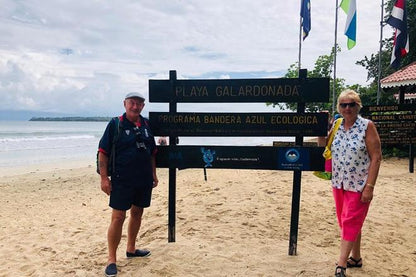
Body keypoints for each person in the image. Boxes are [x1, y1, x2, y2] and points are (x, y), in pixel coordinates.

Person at [98, 92, 159, 277]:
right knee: (118, 217)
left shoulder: (147, 125)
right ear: (125, 104)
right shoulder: (115, 124)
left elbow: (152, 153)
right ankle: (111, 259)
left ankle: (131, 249)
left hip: (143, 179)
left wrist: (154, 175)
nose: (135, 106)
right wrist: (103, 178)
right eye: (132, 103)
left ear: (143, 106)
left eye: (139, 104)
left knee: (137, 213)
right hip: (121, 179)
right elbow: (103, 152)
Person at [330, 89, 382, 277]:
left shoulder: (367, 126)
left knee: (350, 220)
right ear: (339, 107)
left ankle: (341, 264)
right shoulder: (336, 125)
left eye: (351, 104)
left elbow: (376, 157)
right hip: (339, 182)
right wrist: (320, 130)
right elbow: (325, 149)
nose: (347, 108)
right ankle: (356, 258)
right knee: (347, 222)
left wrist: (370, 187)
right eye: (343, 104)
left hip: (359, 184)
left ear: (358, 105)